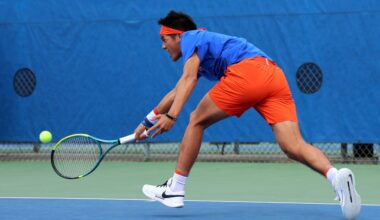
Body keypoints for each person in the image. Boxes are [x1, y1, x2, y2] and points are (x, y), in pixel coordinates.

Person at [133, 11, 361, 219]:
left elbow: (188, 80)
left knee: (196, 120)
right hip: (273, 76)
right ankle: (336, 177)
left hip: (248, 71)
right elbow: (177, 90)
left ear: (178, 36)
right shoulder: (201, 51)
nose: (163, 46)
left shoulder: (191, 37)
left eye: (164, 40)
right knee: (292, 144)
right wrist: (148, 120)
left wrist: (172, 117)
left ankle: (175, 189)